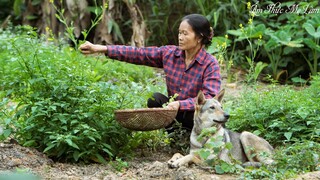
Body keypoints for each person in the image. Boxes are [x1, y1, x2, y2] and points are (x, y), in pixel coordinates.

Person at [80, 14, 221, 132]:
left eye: (185, 33)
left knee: (201, 112)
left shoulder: (210, 64)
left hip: (196, 116)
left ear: (199, 37)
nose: (180, 37)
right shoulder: (170, 54)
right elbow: (138, 53)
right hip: (173, 112)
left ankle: (192, 136)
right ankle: (173, 134)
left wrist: (180, 104)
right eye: (179, 32)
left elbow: (210, 98)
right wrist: (102, 48)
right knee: (156, 99)